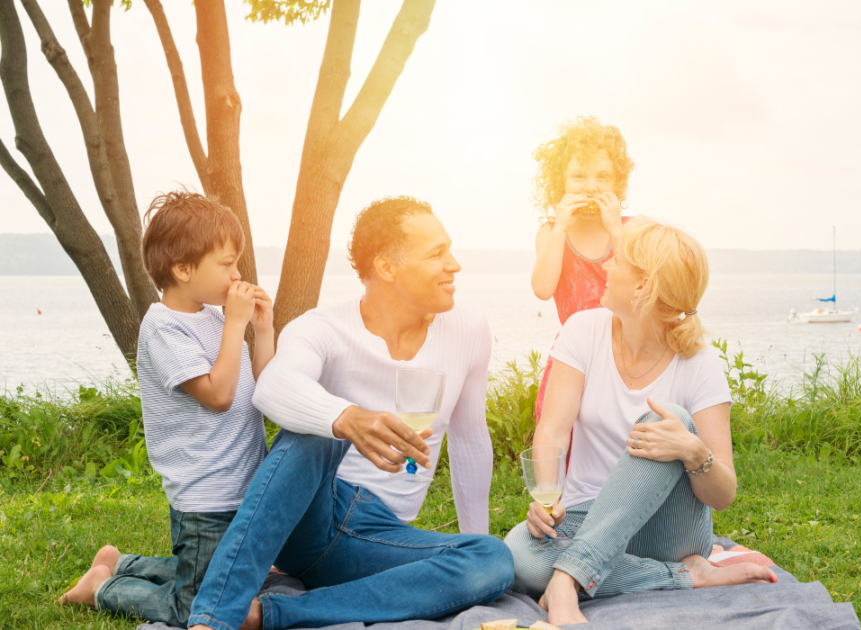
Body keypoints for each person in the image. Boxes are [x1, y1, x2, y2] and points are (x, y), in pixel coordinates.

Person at [188, 196, 514, 630]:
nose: (453, 265)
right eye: (436, 254)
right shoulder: (322, 327)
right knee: (317, 429)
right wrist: (346, 418)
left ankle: (270, 613)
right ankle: (214, 618)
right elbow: (272, 387)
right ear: (387, 267)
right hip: (316, 511)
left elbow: (471, 439)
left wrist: (476, 538)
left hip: (377, 536)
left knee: (491, 559)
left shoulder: (467, 329)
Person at [505, 217, 778, 626]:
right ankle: (688, 575)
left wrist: (694, 451)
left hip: (668, 530)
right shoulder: (582, 331)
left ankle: (566, 580)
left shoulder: (700, 365)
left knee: (671, 421)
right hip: (584, 515)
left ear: (642, 286)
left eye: (617, 261)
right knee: (520, 554)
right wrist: (549, 500)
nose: (606, 267)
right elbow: (553, 431)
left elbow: (723, 495)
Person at [58, 191, 276, 626]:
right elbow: (217, 396)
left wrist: (263, 330)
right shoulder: (163, 328)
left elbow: (262, 391)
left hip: (242, 488)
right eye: (227, 263)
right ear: (183, 269)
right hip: (206, 497)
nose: (237, 274)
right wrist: (236, 324)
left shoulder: (215, 318)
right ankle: (101, 587)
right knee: (198, 605)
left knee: (224, 577)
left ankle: (119, 562)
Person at [530, 117, 635, 425]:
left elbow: (642, 288)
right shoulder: (551, 232)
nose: (591, 187)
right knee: (563, 431)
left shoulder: (631, 230)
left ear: (617, 183)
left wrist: (616, 231)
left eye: (603, 177)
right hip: (574, 355)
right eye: (578, 176)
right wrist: (561, 228)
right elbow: (542, 289)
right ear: (559, 182)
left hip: (625, 354)